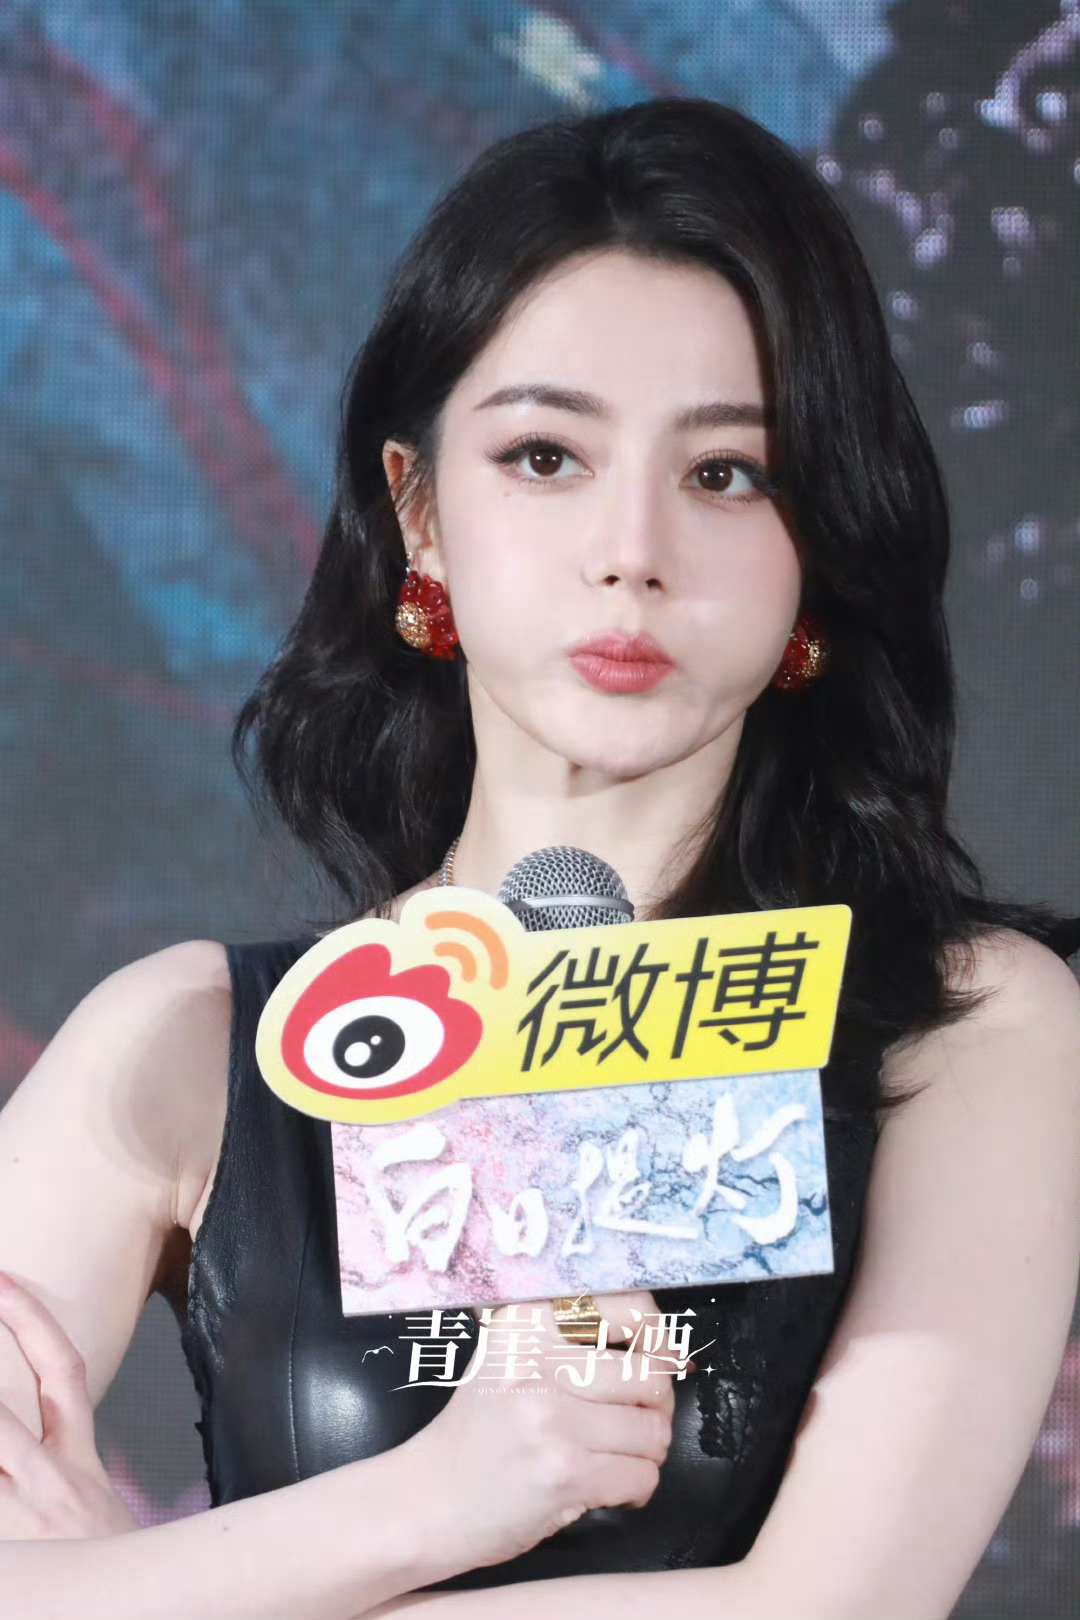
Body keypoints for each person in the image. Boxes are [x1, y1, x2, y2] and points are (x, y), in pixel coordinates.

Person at [0, 95, 1077, 1620]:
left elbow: (824, 1608)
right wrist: (434, 1502)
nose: (632, 551)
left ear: (821, 540)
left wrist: (136, 1588)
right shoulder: (188, 1043)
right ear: (420, 512)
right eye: (547, 455)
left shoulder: (965, 1026)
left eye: (728, 474)